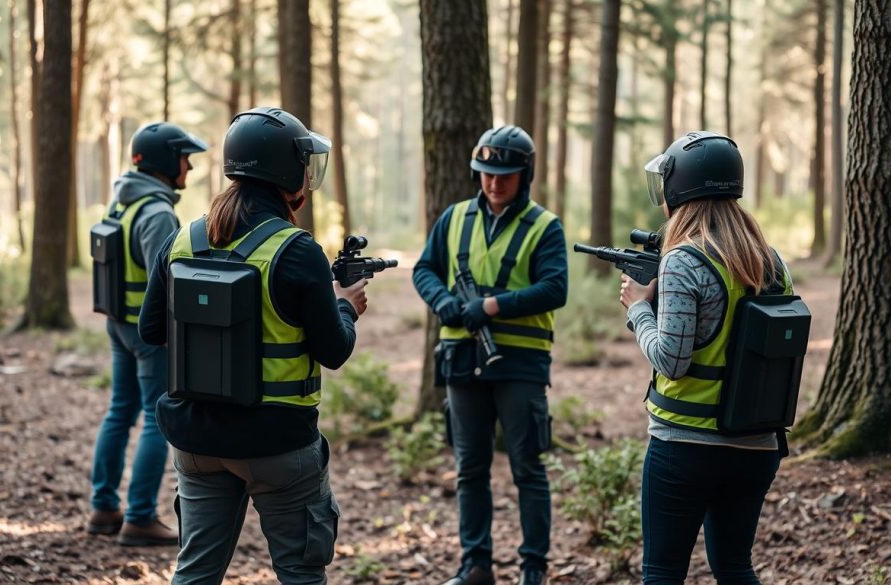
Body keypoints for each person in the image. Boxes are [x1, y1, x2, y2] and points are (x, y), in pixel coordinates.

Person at [138, 106, 366, 585]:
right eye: (303, 163)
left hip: (196, 441)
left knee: (195, 573)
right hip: (277, 445)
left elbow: (150, 331)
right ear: (286, 171)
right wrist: (345, 305)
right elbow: (334, 350)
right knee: (301, 575)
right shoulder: (297, 249)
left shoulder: (183, 240)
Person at [619, 131, 793, 584]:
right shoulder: (771, 261)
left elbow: (670, 359)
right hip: (757, 445)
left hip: (685, 446)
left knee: (662, 573)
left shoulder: (683, 261)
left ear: (678, 190)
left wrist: (638, 308)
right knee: (735, 567)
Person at [413, 126, 568, 585]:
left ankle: (533, 569)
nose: (495, 183)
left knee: (527, 467)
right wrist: (442, 301)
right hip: (461, 359)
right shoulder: (454, 217)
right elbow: (424, 269)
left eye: (505, 175)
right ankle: (475, 565)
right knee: (470, 469)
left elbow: (555, 288)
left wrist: (492, 306)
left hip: (520, 365)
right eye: (486, 174)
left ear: (526, 174)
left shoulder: (545, 226)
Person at [88, 122, 208, 546]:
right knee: (158, 421)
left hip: (118, 324)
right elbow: (169, 281)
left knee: (120, 411)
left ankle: (103, 508)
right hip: (149, 335)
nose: (189, 167)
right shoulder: (157, 213)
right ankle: (139, 517)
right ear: (163, 161)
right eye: (184, 157)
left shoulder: (121, 205)